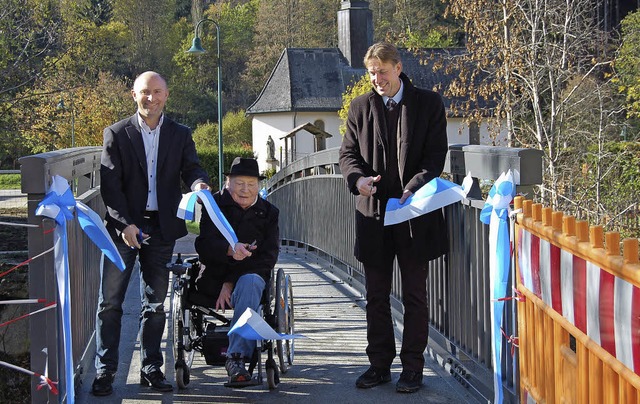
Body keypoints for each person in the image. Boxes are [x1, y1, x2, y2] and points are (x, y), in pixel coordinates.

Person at [338, 42, 448, 394]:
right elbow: (347, 154)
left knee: (415, 295)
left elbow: (435, 155)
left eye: (382, 72)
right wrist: (358, 181)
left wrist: (415, 185)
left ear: (398, 68)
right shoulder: (360, 106)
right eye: (372, 73)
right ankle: (379, 365)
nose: (376, 80)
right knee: (376, 296)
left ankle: (413, 368)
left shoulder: (428, 103)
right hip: (374, 214)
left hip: (414, 213)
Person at [92, 71, 210, 396]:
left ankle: (151, 369)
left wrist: (199, 183)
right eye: (145, 92)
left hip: (162, 228)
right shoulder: (116, 134)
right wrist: (124, 224)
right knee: (110, 303)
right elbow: (110, 188)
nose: (151, 98)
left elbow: (191, 168)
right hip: (124, 229)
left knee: (155, 304)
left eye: (157, 92)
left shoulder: (180, 134)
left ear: (166, 95)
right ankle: (105, 372)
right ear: (134, 95)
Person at [194, 157, 280, 386]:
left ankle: (236, 358)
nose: (245, 190)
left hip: (249, 278)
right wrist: (229, 252)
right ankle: (237, 354)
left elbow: (267, 257)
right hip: (213, 275)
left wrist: (231, 282)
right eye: (239, 183)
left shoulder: (269, 213)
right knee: (244, 282)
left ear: (259, 186)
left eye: (251, 184)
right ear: (227, 182)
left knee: (250, 282)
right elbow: (203, 246)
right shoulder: (214, 206)